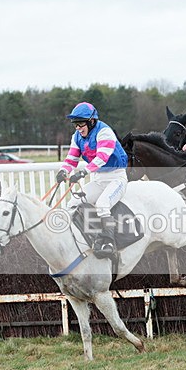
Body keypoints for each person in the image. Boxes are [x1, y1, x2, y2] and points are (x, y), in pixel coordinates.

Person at [56, 102, 128, 259]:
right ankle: (72, 238)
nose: (78, 128)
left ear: (92, 121)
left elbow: (101, 158)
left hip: (116, 178)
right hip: (98, 179)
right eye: (75, 124)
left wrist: (83, 172)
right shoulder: (76, 137)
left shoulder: (104, 132)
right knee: (72, 203)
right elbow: (72, 158)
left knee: (102, 204)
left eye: (80, 123)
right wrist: (63, 171)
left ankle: (109, 243)